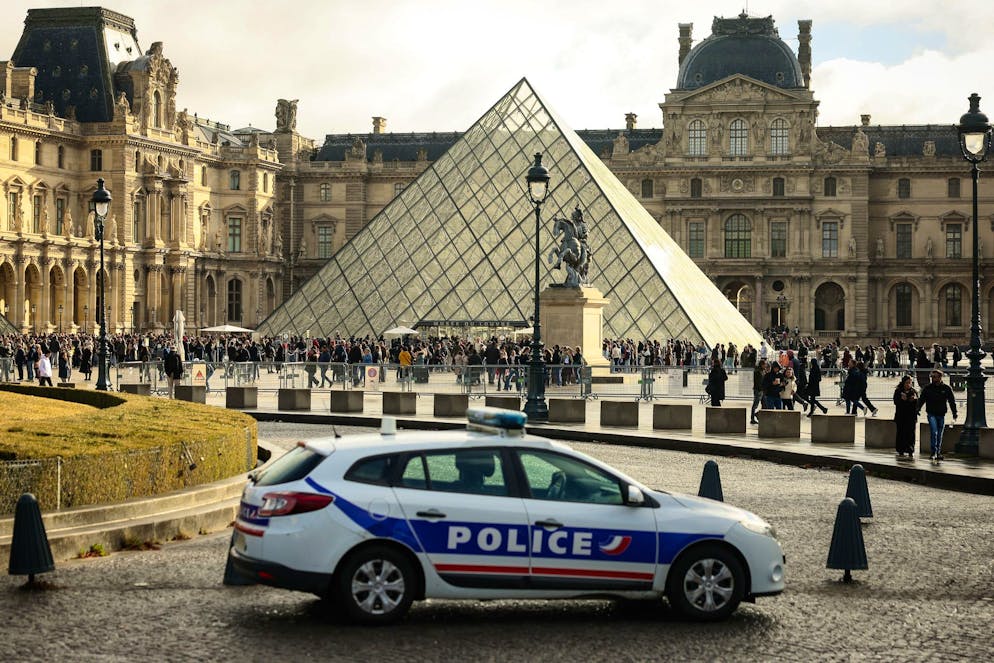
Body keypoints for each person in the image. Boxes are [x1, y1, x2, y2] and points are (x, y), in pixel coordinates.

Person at [917, 370, 958, 463]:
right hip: (931, 413)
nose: (933, 379)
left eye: (935, 377)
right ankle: (933, 452)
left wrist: (954, 413)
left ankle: (938, 452)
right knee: (934, 432)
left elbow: (952, 401)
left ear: (940, 377)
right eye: (932, 377)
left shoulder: (946, 388)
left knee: (939, 434)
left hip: (941, 414)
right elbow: (922, 399)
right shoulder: (928, 388)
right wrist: (918, 409)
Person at [893, 376, 918, 459]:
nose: (908, 384)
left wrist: (914, 400)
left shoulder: (913, 391)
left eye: (910, 383)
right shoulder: (898, 391)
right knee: (901, 433)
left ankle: (910, 449)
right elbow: (896, 402)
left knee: (911, 433)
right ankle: (901, 449)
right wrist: (902, 399)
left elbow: (917, 404)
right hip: (901, 416)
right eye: (907, 382)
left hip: (911, 416)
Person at [750, 359, 768, 424]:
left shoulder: (763, 371)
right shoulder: (757, 371)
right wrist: (761, 388)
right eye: (765, 364)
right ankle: (752, 418)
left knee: (765, 405)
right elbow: (757, 382)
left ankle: (757, 414)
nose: (765, 365)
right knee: (755, 404)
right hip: (758, 390)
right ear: (762, 365)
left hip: (762, 390)